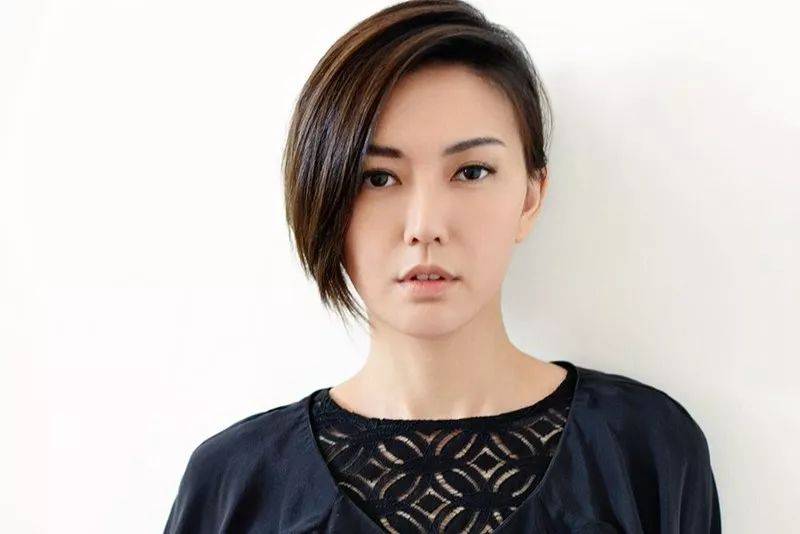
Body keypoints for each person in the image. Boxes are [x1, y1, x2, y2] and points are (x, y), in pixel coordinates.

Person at [163, 1, 721, 532]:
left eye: (472, 172)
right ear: (323, 197)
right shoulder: (235, 485)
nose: (425, 226)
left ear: (531, 196)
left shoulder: (644, 452)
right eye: (378, 178)